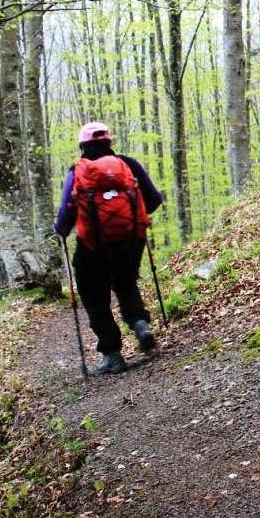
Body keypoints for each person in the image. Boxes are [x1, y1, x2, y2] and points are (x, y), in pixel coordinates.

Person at [54, 122, 164, 374]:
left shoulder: (77, 171)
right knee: (125, 283)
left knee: (94, 295)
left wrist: (59, 229)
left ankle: (112, 354)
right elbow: (155, 200)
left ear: (82, 145)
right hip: (131, 240)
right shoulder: (129, 165)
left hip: (94, 247)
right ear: (109, 142)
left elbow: (65, 217)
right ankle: (140, 325)